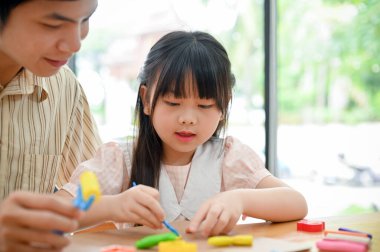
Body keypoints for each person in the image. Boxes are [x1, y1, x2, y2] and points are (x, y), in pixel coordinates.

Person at [57, 30, 308, 237]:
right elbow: (56, 214)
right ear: (146, 99)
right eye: (173, 103)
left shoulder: (229, 157)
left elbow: (296, 203)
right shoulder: (120, 158)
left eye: (204, 105)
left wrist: (240, 199)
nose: (188, 118)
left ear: (224, 105)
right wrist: (114, 206)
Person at [0, 0, 101, 251]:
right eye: (53, 24)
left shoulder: (63, 87)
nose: (76, 43)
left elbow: (91, 187)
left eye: (85, 20)